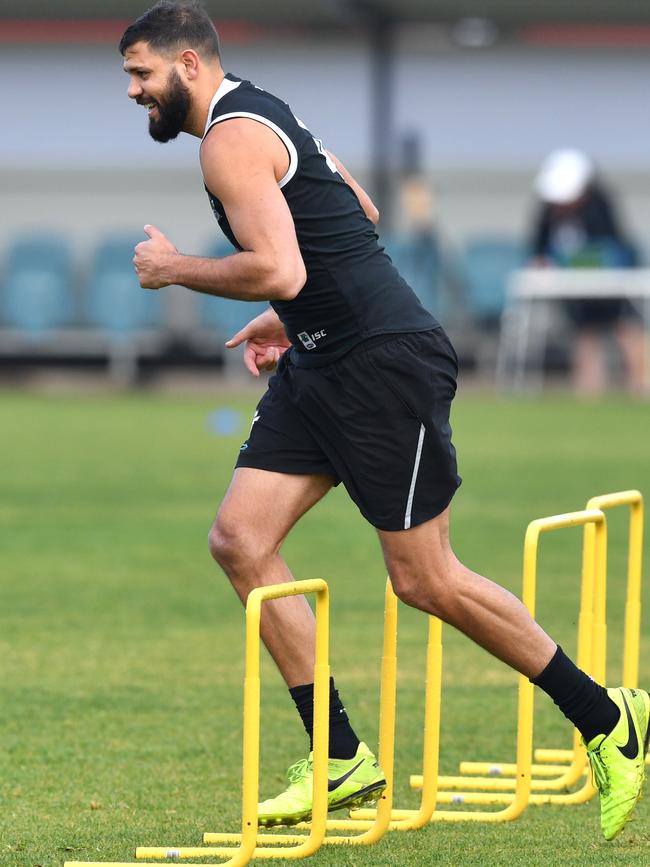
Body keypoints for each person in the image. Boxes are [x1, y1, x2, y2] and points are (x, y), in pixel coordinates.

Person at [119, 1, 649, 839]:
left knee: (425, 579)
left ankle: (607, 717)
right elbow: (354, 210)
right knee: (239, 539)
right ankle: (340, 758)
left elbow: (282, 263)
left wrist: (174, 268)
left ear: (189, 65)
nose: (134, 93)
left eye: (141, 75)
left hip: (381, 364)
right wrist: (290, 319)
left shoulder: (230, 138)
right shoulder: (267, 111)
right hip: (323, 358)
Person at [531, 148, 646, 395]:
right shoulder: (548, 211)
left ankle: (641, 386)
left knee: (628, 329)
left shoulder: (600, 205)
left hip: (611, 286)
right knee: (585, 335)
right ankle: (589, 392)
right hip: (576, 291)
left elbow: (614, 245)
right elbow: (538, 247)